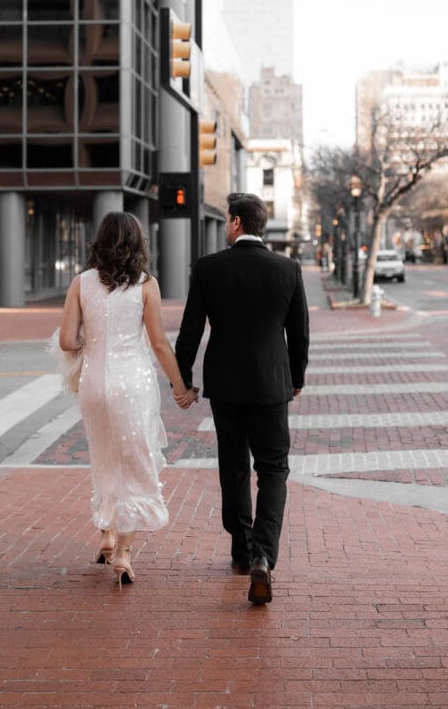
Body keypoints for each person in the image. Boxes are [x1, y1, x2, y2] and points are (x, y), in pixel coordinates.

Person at [175, 192, 310, 605]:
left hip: (226, 385)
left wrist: (184, 380)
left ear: (234, 223)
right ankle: (263, 556)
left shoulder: (209, 268)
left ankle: (240, 548)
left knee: (233, 465)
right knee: (273, 469)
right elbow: (299, 334)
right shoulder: (288, 269)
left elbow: (190, 331)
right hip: (272, 384)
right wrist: (296, 379)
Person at [59, 211, 198, 589]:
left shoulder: (81, 283)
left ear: (100, 242)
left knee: (104, 456)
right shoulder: (145, 284)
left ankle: (106, 533)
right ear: (138, 243)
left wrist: (95, 343)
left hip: (94, 385)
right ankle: (123, 553)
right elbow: (157, 343)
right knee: (136, 461)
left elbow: (67, 341)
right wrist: (180, 386)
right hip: (132, 385)